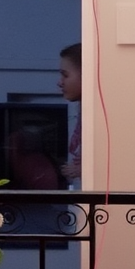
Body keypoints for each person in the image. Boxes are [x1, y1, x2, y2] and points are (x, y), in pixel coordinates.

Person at [58, 42, 82, 187]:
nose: (60, 83)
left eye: (65, 75)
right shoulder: (80, 111)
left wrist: (83, 170)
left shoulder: (99, 116)